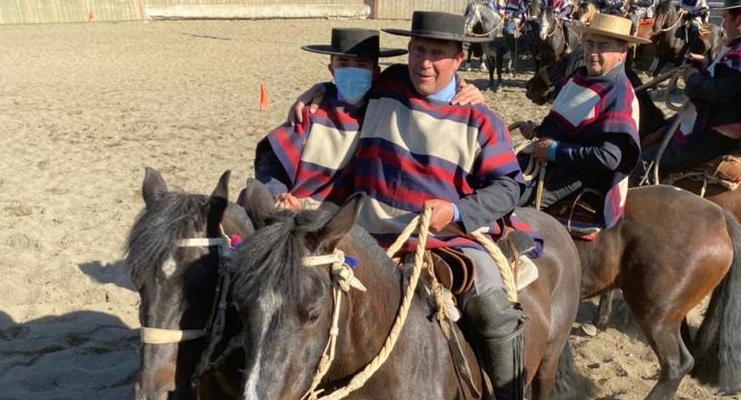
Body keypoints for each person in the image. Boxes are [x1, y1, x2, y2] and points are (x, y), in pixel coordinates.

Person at [356, 11, 529, 400]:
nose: (425, 63)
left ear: (459, 59)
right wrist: (314, 94)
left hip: (446, 240)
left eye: (437, 53)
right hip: (367, 233)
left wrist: (456, 212)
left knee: (492, 308)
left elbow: (509, 187)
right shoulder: (385, 88)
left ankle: (508, 393)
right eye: (418, 50)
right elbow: (340, 89)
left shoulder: (481, 120)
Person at [249, 28, 406, 211]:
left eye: (361, 64)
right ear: (332, 69)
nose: (351, 70)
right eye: (343, 63)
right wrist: (277, 192)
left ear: (376, 71)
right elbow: (271, 163)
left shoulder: (384, 110)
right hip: (302, 208)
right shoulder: (311, 112)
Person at [517, 13, 647, 231]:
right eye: (589, 44)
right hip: (550, 159)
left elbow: (608, 157)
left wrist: (554, 150)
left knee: (512, 205)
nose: (592, 53)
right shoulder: (579, 76)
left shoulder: (619, 95)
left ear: (622, 52)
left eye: (603, 46)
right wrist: (538, 131)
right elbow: (565, 122)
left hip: (577, 174)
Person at [634, 0, 741, 181]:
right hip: (712, 118)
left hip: (718, 128)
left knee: (646, 163)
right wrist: (707, 65)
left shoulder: (738, 53)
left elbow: (722, 90)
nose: (722, 24)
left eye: (725, 19)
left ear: (738, 20)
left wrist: (691, 77)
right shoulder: (734, 49)